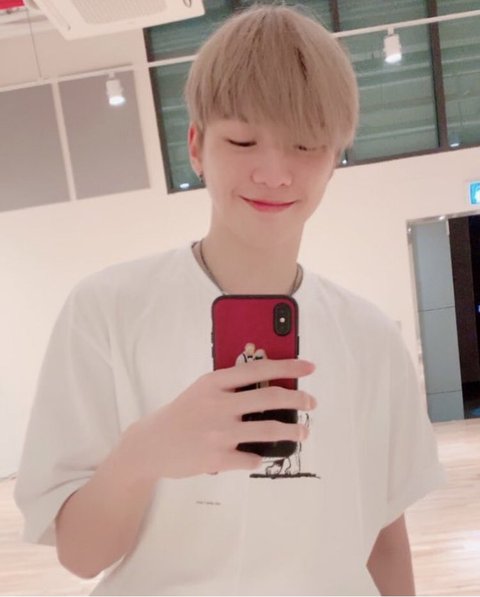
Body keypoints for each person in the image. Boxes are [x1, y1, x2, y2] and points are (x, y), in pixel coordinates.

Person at [14, 3, 447, 595]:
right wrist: (141, 454)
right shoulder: (107, 311)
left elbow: (384, 537)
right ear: (196, 146)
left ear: (335, 159)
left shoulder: (371, 338)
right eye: (243, 140)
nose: (274, 172)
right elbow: (81, 556)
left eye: (305, 145)